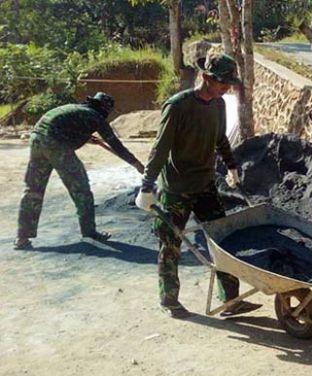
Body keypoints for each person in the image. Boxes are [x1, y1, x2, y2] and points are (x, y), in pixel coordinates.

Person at [135, 52, 261, 319]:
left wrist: (232, 165)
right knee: (170, 244)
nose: (227, 87)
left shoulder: (218, 105)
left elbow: (220, 139)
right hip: (176, 188)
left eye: (230, 83)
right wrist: (147, 185)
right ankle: (169, 301)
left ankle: (231, 300)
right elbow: (160, 148)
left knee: (223, 238)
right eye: (222, 82)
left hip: (205, 184)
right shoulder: (178, 106)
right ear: (205, 77)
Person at [15, 92, 144, 250]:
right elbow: (116, 145)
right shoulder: (96, 117)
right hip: (56, 144)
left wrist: (87, 137)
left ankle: (22, 237)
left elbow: (66, 125)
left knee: (33, 189)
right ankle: (89, 232)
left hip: (36, 138)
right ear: (104, 109)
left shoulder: (76, 109)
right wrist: (136, 163)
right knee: (81, 189)